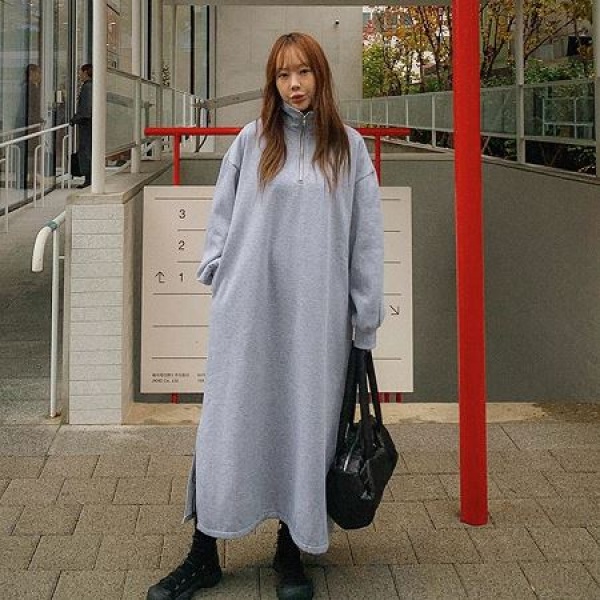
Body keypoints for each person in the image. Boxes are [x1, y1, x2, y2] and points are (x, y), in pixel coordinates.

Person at [147, 32, 384, 600]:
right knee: (228, 424)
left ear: (321, 76)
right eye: (282, 75)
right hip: (249, 314)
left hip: (316, 322)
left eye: (303, 72)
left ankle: (291, 547)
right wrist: (217, 268)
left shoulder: (348, 150)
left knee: (306, 427)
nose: (294, 85)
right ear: (272, 82)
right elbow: (222, 215)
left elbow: (366, 241)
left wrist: (365, 320)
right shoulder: (252, 141)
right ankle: (204, 550)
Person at [17, 64, 42, 188]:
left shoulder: (28, 87)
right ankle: (27, 178)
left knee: (31, 151)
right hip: (29, 125)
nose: (40, 76)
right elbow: (30, 108)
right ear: (31, 73)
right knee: (30, 152)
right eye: (38, 73)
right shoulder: (30, 88)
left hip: (30, 123)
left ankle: (30, 177)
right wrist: (36, 120)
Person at [70, 64, 92, 188]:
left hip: (86, 126)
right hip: (89, 125)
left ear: (86, 72)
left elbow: (86, 110)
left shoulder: (87, 87)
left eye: (81, 73)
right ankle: (89, 178)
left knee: (86, 151)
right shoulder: (93, 86)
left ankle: (88, 178)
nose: (79, 75)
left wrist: (75, 119)